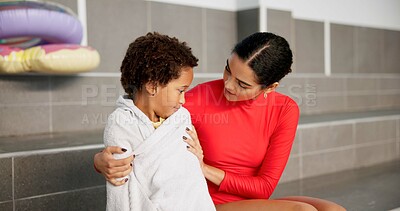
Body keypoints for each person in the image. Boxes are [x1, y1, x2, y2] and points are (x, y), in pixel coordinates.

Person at [95, 32, 346, 211]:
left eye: (243, 84)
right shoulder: (192, 99)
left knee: (334, 210)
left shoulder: (284, 110)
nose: (228, 84)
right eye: (228, 70)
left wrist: (205, 168)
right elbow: (142, 128)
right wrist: (99, 161)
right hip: (206, 202)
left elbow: (264, 187)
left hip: (251, 201)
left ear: (270, 88)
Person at [103, 32, 215, 211]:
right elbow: (121, 186)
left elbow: (190, 177)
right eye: (180, 90)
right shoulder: (121, 123)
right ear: (152, 86)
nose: (183, 100)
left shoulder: (181, 118)